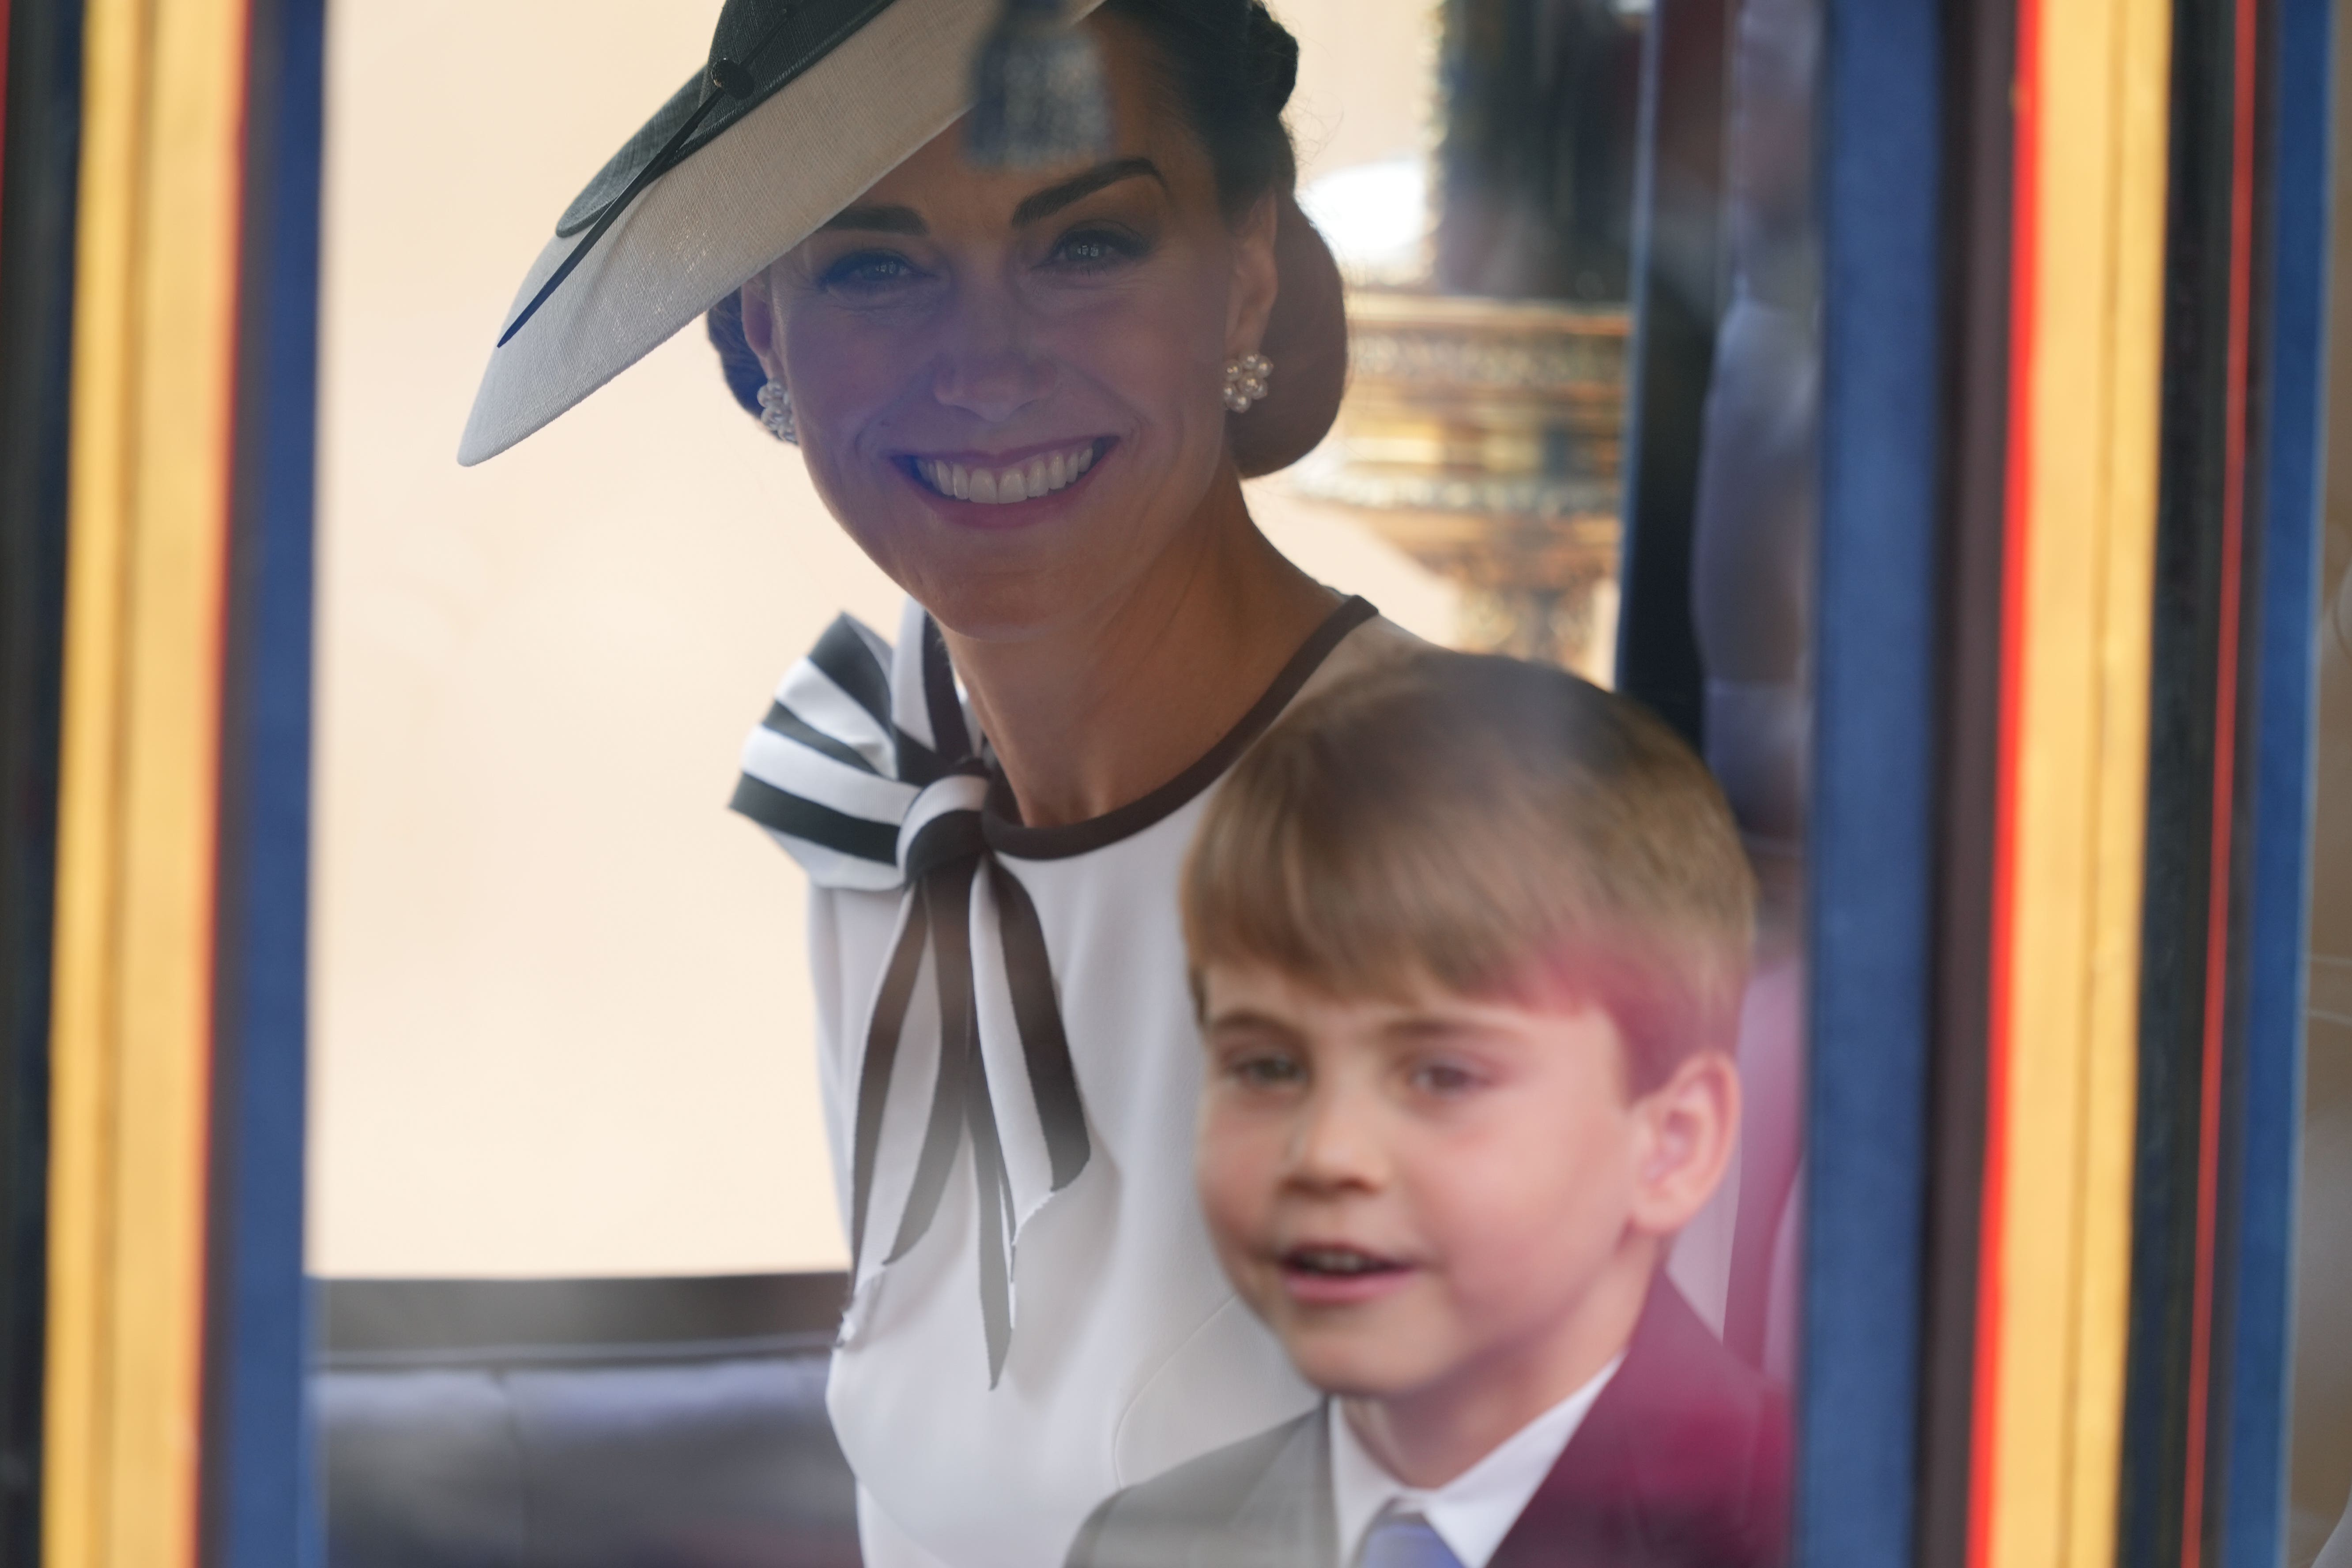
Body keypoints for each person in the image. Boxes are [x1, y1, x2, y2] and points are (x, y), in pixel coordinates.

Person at [462, 3, 1417, 1564]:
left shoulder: (1458, 847)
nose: (984, 370)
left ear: (1244, 266)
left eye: (1085, 246)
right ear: (761, 326)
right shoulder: (882, 804)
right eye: (876, 266)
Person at [1068, 653, 1790, 1568]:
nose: (1326, 1152)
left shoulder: (1849, 1529)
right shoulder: (1139, 1546)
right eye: (1268, 1067)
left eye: (1444, 1076)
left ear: (1672, 1144)